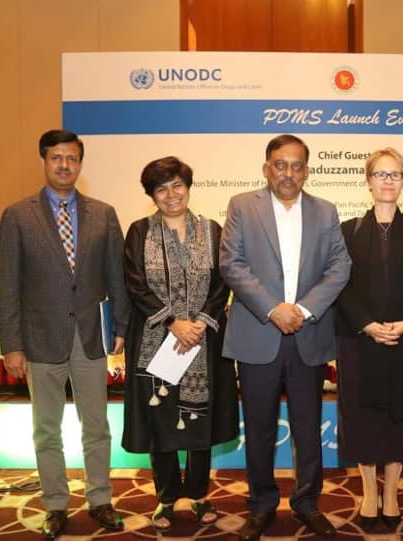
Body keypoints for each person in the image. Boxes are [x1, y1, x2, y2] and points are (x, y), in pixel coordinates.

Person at [0, 129, 130, 540]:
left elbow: (116, 275)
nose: (64, 165)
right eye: (56, 158)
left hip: (89, 338)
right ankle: (55, 503)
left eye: (72, 158)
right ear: (44, 160)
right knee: (46, 429)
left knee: (97, 426)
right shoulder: (18, 216)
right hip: (39, 339)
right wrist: (12, 344)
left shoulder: (103, 214)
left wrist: (121, 326)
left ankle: (100, 499)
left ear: (80, 164)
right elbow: (9, 286)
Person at [219, 134, 351, 541]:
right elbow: (231, 263)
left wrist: (304, 310)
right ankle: (261, 505)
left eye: (296, 166)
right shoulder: (242, 206)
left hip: (307, 335)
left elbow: (340, 266)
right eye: (280, 165)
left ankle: (307, 503)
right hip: (259, 333)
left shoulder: (326, 211)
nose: (288, 173)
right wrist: (273, 308)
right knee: (259, 428)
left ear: (307, 171)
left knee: (308, 428)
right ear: (266, 168)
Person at [120, 157, 239, 532]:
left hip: (204, 339)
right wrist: (173, 322)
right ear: (151, 195)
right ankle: (167, 497)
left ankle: (200, 494)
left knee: (202, 420)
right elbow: (135, 283)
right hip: (158, 340)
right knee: (162, 421)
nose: (171, 195)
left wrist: (199, 322)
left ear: (188, 187)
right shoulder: (139, 232)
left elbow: (223, 281)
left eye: (177, 186)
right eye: (161, 189)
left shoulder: (212, 230)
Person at [334, 148, 403, 532]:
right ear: (368, 181)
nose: (388, 180)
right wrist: (368, 325)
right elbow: (340, 285)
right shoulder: (348, 230)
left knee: (399, 418)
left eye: (395, 174)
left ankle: (391, 492)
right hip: (359, 341)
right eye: (381, 174)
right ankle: (368, 492)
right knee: (363, 419)